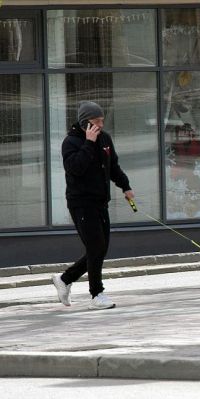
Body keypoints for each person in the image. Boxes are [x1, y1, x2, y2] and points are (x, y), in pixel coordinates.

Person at [52, 101, 134, 310]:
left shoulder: (105, 139)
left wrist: (125, 186)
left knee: (100, 248)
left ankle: (65, 279)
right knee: (96, 246)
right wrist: (89, 143)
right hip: (81, 203)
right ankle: (97, 294)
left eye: (102, 120)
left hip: (100, 202)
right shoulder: (71, 142)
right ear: (85, 122)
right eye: (97, 121)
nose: (101, 124)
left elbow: (113, 166)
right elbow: (75, 168)